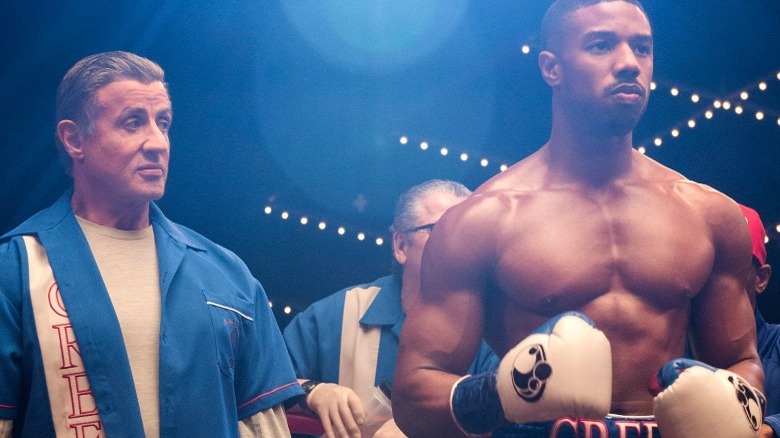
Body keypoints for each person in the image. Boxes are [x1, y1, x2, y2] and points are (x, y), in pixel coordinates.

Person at [392, 1, 765, 437]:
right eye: (601, 45)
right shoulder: (483, 220)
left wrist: (728, 399)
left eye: (642, 48)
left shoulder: (710, 214)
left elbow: (743, 364)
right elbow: (413, 394)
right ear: (552, 68)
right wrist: (500, 393)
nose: (628, 63)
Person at [0, 51, 302, 437]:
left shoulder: (227, 275)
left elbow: (263, 426)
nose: (158, 142)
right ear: (74, 139)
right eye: (133, 122)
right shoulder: (16, 268)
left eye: (163, 123)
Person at [283, 180, 499, 438]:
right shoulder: (337, 316)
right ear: (400, 245)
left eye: (469, 232)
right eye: (440, 230)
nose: (459, 244)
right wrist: (313, 392)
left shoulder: (496, 333)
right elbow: (258, 390)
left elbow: (515, 419)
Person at [739, 205, 777, 438]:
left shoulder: (778, 343)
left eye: (731, 267)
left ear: (760, 278)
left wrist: (772, 428)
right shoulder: (669, 346)